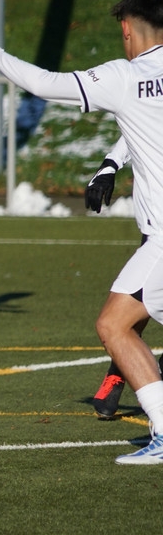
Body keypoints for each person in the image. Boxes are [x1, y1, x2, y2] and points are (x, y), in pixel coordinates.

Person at [0, 0, 163, 464]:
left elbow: (44, 84)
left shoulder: (125, 76)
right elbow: (144, 124)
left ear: (127, 30)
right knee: (118, 323)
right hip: (156, 239)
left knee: (115, 325)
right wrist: (111, 163)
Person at [84, 137, 163, 419]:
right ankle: (120, 369)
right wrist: (111, 163)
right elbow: (139, 123)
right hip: (156, 223)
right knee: (129, 309)